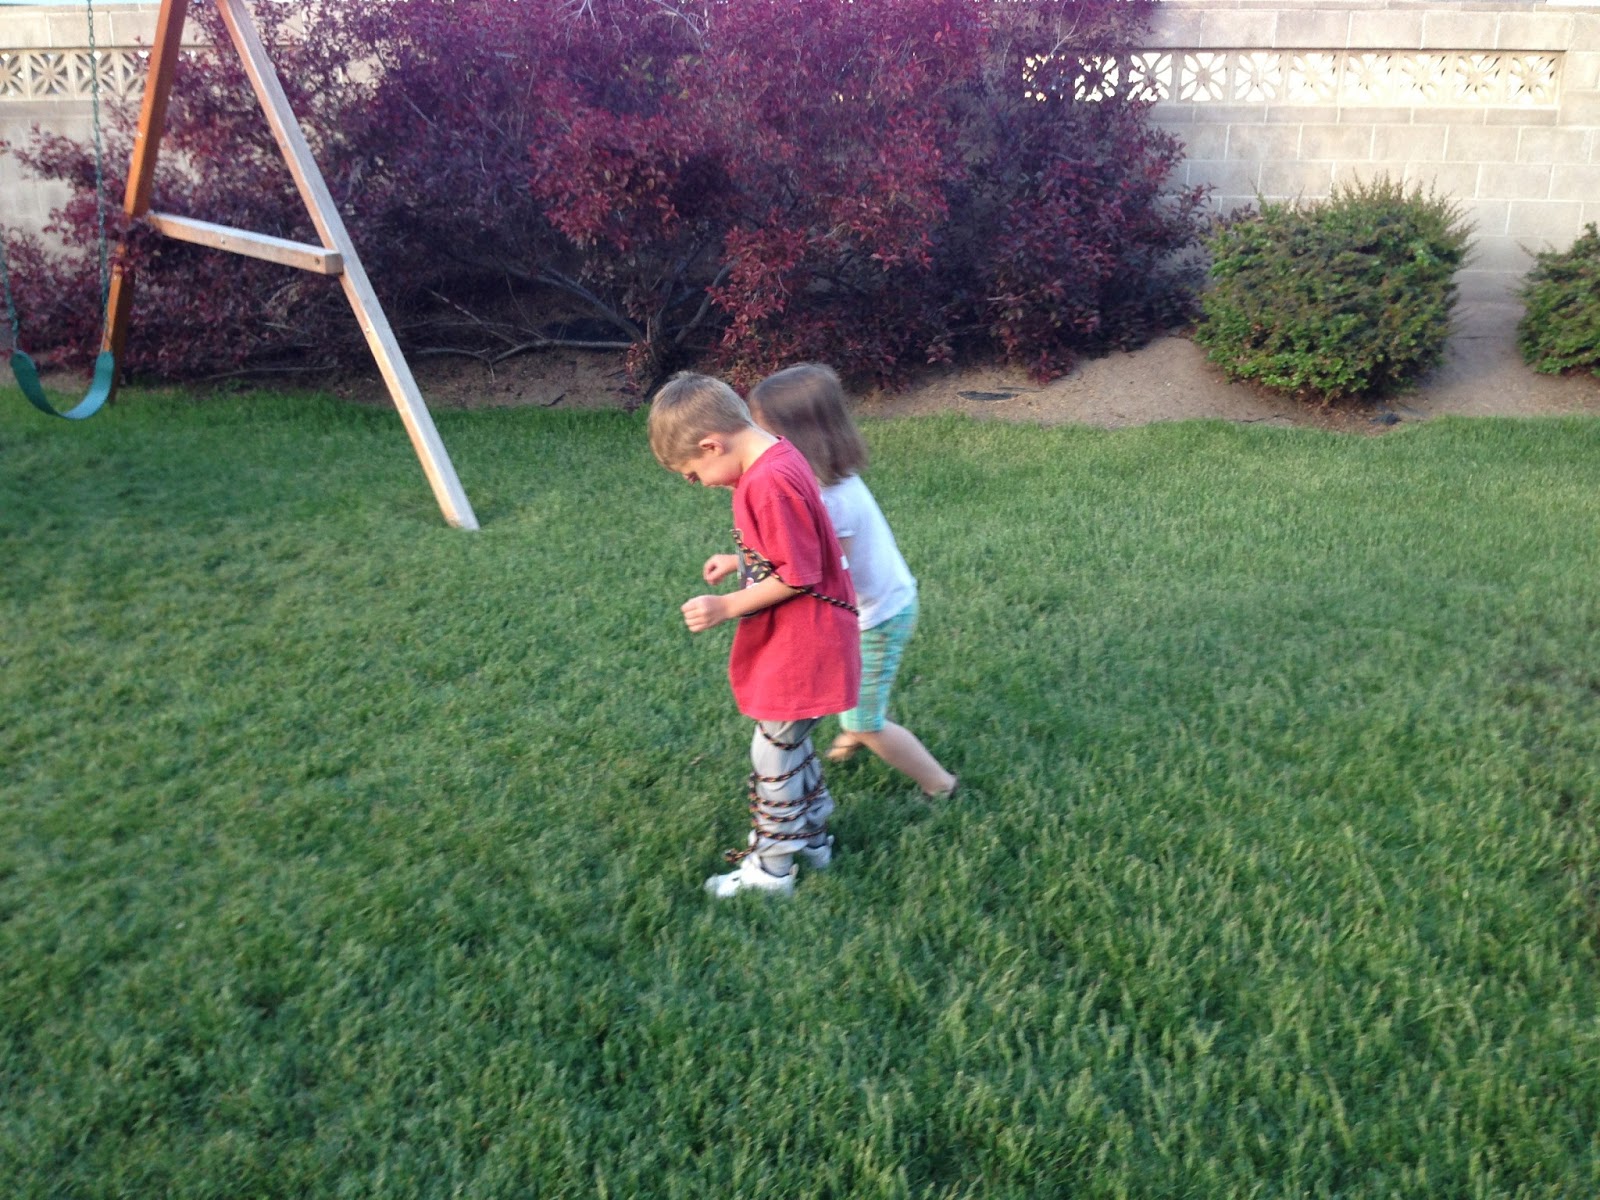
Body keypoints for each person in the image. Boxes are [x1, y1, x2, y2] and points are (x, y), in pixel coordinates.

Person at [648, 372, 861, 898]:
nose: (697, 483)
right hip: (811, 634)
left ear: (711, 445)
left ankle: (772, 869)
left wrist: (725, 606)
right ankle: (811, 839)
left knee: (773, 752)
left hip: (805, 640)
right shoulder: (777, 456)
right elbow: (791, 545)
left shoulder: (767, 483)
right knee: (788, 742)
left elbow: (797, 574)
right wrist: (740, 561)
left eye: (693, 473)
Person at [748, 364, 958, 799]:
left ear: (797, 439)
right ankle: (855, 728)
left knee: (866, 720)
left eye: (766, 436)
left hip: (879, 618)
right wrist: (741, 561)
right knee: (854, 697)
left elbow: (822, 572)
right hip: (877, 607)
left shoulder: (831, 499)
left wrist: (753, 596)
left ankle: (939, 783)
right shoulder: (826, 480)